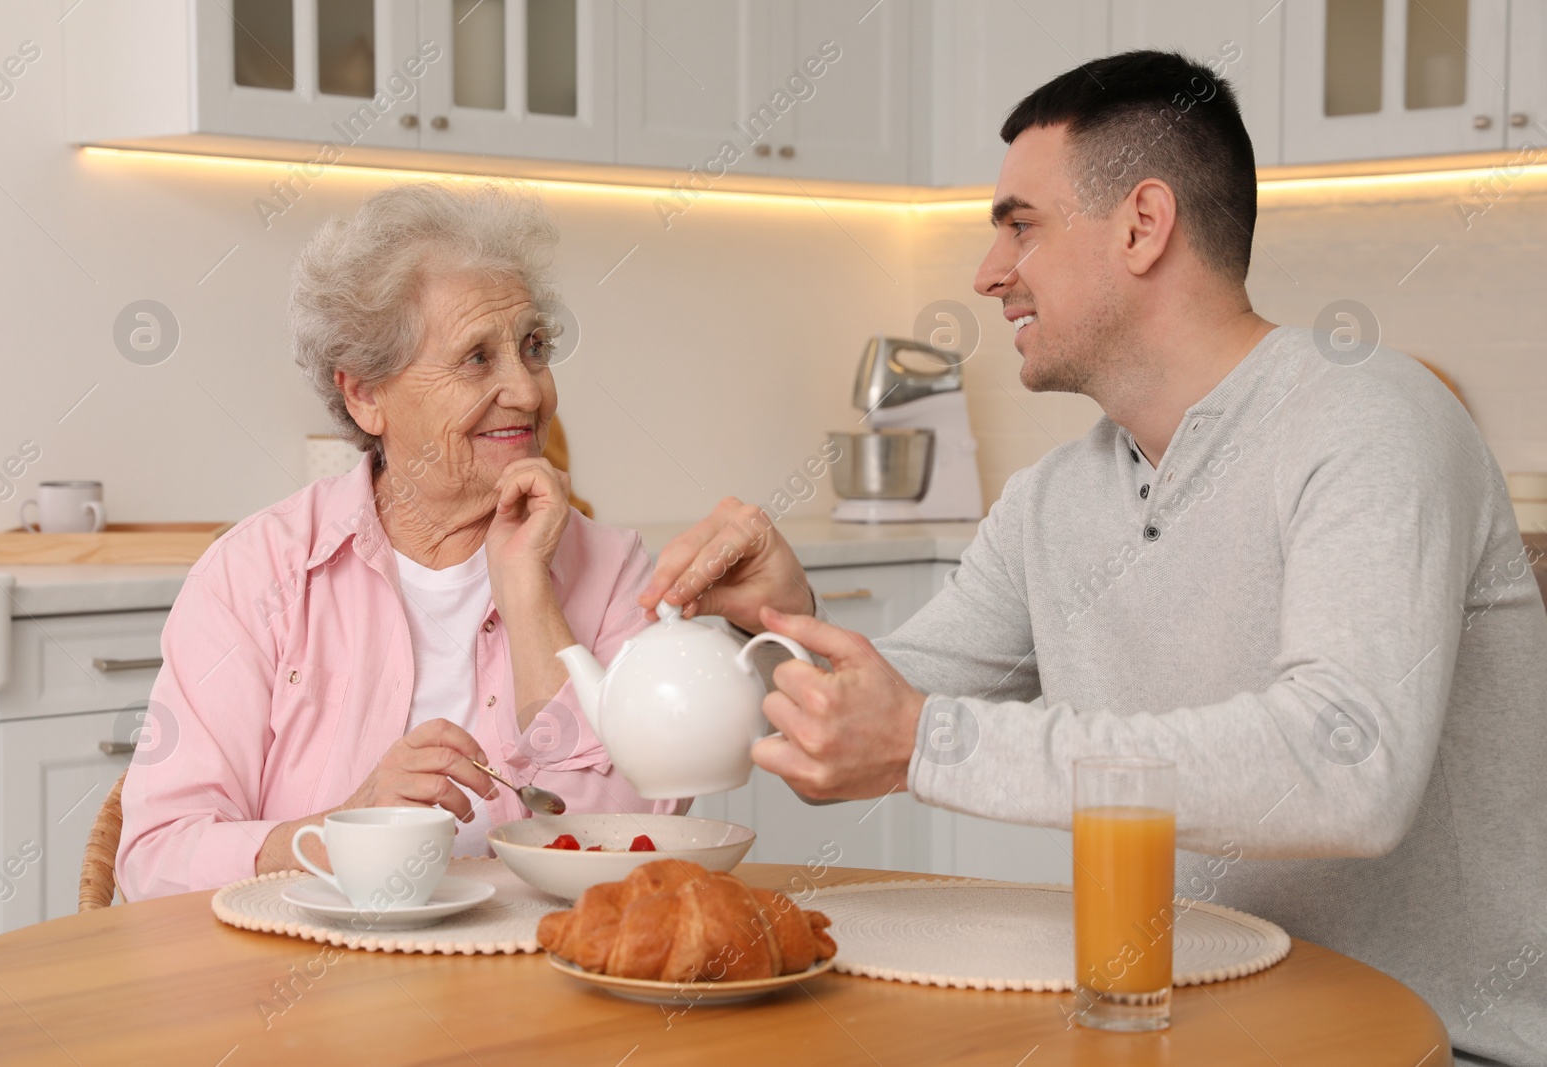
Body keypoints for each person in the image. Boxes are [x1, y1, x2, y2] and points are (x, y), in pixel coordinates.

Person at [642, 52, 1547, 1064]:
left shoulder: (1370, 421)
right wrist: (776, 624)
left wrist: (924, 741)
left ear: (1141, 224)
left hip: (1437, 1045)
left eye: (1018, 223)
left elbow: (1348, 770)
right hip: (1189, 1025)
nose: (986, 272)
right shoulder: (1055, 499)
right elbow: (898, 706)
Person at [118, 182, 685, 899]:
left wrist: (528, 596)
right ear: (365, 395)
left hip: (541, 983)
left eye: (532, 348)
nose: (530, 390)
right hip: (306, 995)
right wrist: (342, 829)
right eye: (478, 358)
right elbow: (154, 860)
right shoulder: (254, 573)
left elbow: (633, 847)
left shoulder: (612, 571)